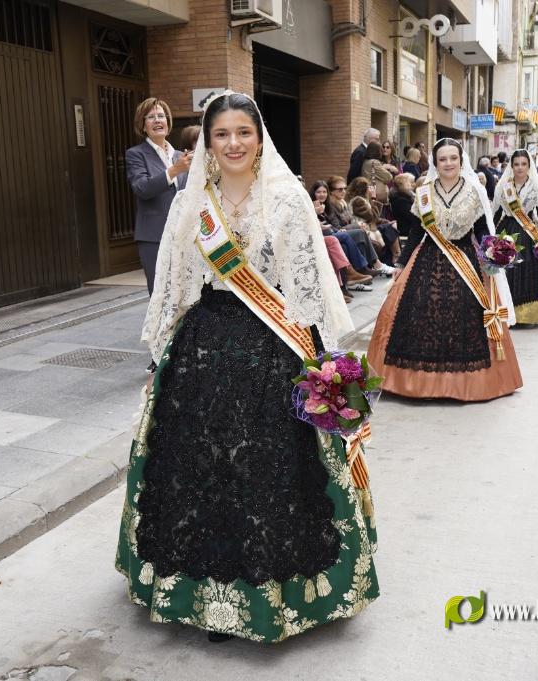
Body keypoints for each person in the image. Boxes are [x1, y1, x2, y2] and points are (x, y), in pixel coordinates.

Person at [117, 92, 378, 644]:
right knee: (203, 464)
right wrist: (162, 355)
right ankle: (207, 593)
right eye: (221, 134)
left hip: (273, 347)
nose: (233, 144)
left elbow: (306, 281)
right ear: (207, 142)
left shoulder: (285, 199)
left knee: (270, 468)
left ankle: (272, 592)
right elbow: (177, 283)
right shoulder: (193, 203)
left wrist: (324, 361)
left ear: (260, 138)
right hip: (205, 347)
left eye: (243, 132)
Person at [366, 138, 522, 401]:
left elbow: (482, 229)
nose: (448, 163)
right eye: (443, 159)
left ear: (461, 161)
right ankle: (415, 382)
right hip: (428, 260)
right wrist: (401, 264)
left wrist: (494, 251)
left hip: (466, 261)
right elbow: (416, 231)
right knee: (419, 309)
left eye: (453, 158)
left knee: (464, 312)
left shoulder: (473, 192)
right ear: (435, 163)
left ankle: (467, 383)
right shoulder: (424, 193)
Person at [125, 97, 191, 293]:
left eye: (161, 116)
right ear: (143, 125)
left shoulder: (181, 156)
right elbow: (142, 188)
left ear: (168, 123)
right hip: (154, 237)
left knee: (186, 291)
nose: (157, 120)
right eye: (151, 117)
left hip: (185, 235)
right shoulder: (136, 154)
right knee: (161, 293)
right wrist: (173, 171)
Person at [492, 150, 538, 323]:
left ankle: (529, 314)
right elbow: (496, 212)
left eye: (523, 164)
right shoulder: (503, 186)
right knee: (507, 271)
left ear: (529, 166)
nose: (519, 168)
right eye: (516, 164)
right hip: (506, 231)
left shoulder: (536, 186)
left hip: (529, 232)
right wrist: (491, 236)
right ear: (511, 166)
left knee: (530, 272)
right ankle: (507, 311)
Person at [310, 180, 377, 289]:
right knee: (355, 234)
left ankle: (357, 276)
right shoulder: (311, 206)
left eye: (324, 192)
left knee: (354, 238)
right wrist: (315, 212)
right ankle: (361, 269)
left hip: (334, 233)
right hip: (322, 237)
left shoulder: (329, 205)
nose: (322, 194)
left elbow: (335, 224)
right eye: (318, 192)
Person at [325, 176, 397, 276]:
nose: (343, 191)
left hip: (361, 228)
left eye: (345, 188)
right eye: (340, 189)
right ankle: (379, 264)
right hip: (341, 233)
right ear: (331, 191)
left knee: (388, 228)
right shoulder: (337, 205)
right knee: (365, 233)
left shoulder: (342, 204)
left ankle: (368, 269)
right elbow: (371, 216)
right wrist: (373, 198)